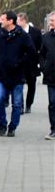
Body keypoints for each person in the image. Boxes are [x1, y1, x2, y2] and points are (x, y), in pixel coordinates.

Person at [0, 11, 37, 137]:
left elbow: (31, 51)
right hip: (0, 74)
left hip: (17, 75)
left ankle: (13, 126)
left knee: (17, 103)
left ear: (10, 21)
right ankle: (2, 124)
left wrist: (20, 62)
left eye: (3, 19)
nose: (0, 21)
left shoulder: (22, 35)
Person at [17, 12, 42, 114]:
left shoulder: (36, 32)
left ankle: (28, 104)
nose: (16, 23)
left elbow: (40, 47)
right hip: (19, 63)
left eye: (18, 21)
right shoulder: (16, 31)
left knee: (31, 85)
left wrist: (39, 62)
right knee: (19, 84)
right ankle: (21, 105)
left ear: (23, 21)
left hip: (32, 63)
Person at [40, 12, 55, 140]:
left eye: (53, 21)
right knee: (52, 103)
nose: (51, 23)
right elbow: (41, 54)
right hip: (51, 76)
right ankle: (53, 129)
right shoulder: (46, 37)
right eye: (50, 21)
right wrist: (43, 67)